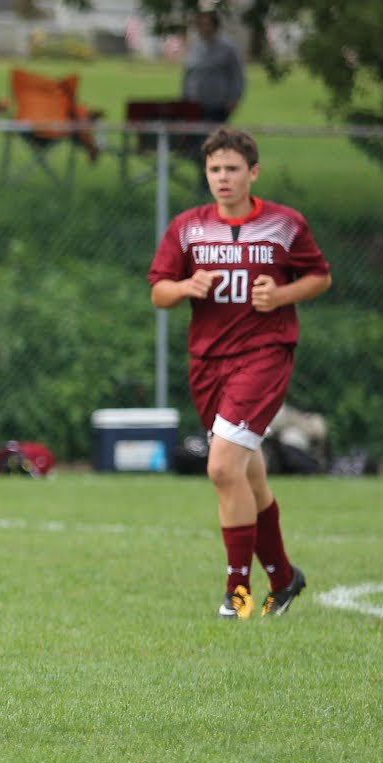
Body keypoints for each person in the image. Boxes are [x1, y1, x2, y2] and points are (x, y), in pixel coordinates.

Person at [148, 127, 329, 620]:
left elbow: (320, 276)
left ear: (253, 172)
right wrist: (185, 287)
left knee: (222, 467)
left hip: (263, 356)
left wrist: (281, 295)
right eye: (214, 169)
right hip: (209, 363)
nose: (223, 177)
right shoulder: (188, 227)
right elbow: (159, 291)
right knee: (248, 474)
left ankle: (238, 593)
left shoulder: (284, 224)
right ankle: (284, 578)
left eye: (232, 168)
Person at [182, 10, 246, 125]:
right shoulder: (195, 48)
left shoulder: (228, 49)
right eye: (200, 25)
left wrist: (234, 100)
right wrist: (184, 99)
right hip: (194, 105)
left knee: (214, 135)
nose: (203, 28)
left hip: (217, 106)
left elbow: (238, 76)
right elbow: (188, 75)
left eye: (207, 24)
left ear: (215, 26)